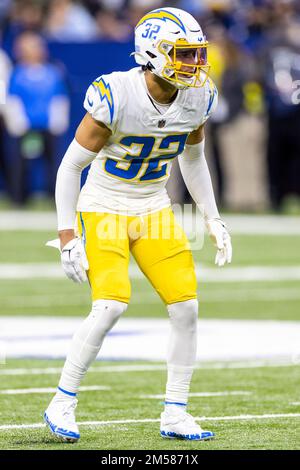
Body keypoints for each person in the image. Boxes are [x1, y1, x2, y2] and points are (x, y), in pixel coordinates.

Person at [44, 7, 232, 443]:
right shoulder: (116, 92)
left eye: (196, 54)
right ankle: (62, 401)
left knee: (186, 306)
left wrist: (212, 216)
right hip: (105, 205)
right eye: (182, 54)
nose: (193, 64)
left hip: (153, 208)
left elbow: (193, 159)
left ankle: (175, 412)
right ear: (151, 53)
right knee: (110, 305)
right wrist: (67, 234)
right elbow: (71, 168)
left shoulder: (199, 95)